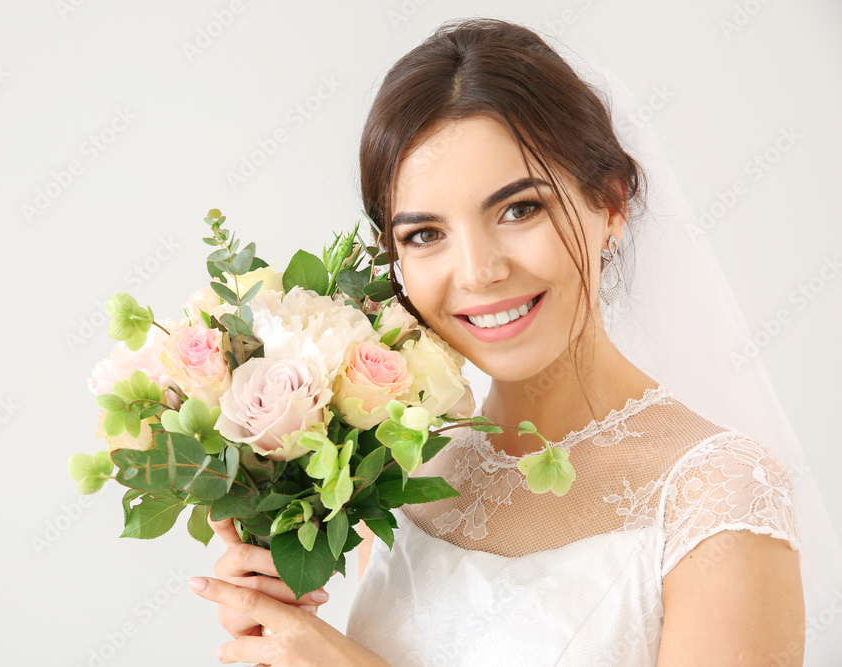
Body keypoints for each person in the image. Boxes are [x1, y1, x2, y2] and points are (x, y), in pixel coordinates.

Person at [189, 18, 842, 666]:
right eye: (424, 234)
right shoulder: (402, 468)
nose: (478, 271)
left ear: (610, 203)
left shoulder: (717, 497)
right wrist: (277, 629)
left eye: (519, 208)